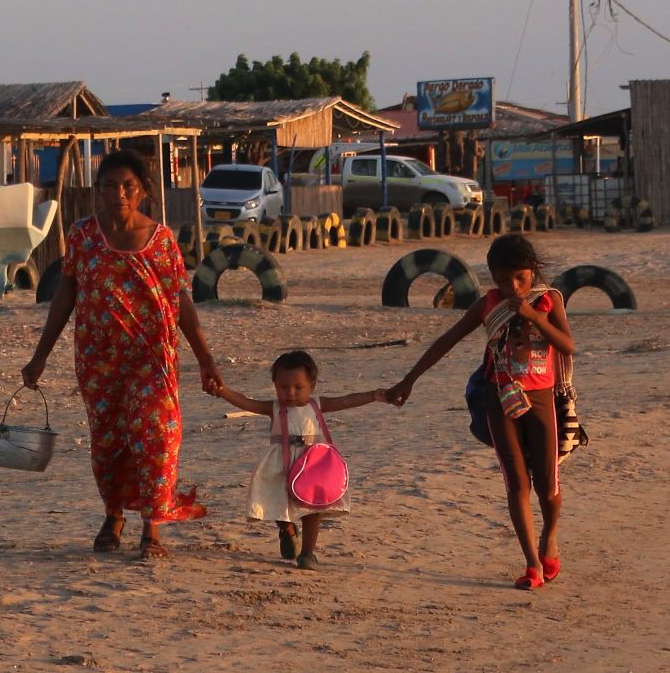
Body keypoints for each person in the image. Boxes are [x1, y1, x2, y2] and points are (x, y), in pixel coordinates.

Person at [22, 149, 222, 559]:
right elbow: (65, 297)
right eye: (110, 186)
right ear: (98, 192)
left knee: (157, 437)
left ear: (144, 192)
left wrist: (206, 359)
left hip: (153, 359)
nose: (119, 194)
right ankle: (113, 515)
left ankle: (153, 528)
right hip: (99, 361)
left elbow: (181, 302)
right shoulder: (82, 236)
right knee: (109, 443)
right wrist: (40, 355)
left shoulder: (163, 241)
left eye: (129, 186)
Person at [387, 234, 575, 590]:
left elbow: (568, 345)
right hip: (498, 398)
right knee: (517, 483)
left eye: (519, 278)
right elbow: (446, 341)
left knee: (547, 485)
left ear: (533, 272)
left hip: (541, 399)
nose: (512, 287)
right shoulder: (488, 304)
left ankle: (549, 537)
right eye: (503, 280)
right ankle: (532, 566)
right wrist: (409, 380)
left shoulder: (548, 301)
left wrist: (535, 316)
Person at [210, 350, 389, 571]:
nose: (290, 393)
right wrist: (222, 391)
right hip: (280, 465)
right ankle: (287, 529)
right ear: (275, 385)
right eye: (283, 387)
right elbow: (246, 402)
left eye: (298, 387)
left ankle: (307, 554)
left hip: (312, 465)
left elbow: (346, 400)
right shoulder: (274, 408)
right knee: (275, 500)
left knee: (313, 510)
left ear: (312, 385)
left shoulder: (316, 405)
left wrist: (374, 395)